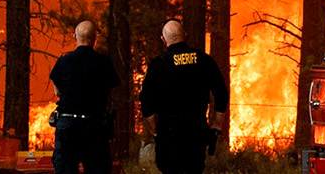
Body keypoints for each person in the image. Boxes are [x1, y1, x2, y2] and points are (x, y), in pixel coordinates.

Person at [138, 20, 226, 174]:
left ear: (163, 40)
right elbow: (221, 94)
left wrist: (155, 131)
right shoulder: (204, 60)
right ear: (185, 35)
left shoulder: (158, 65)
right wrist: (216, 124)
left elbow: (146, 103)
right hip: (196, 133)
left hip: (168, 134)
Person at [49, 20, 121, 174]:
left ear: (75, 36)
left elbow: (57, 90)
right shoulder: (104, 63)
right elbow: (112, 86)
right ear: (94, 38)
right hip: (95, 126)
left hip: (68, 125)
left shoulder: (63, 62)